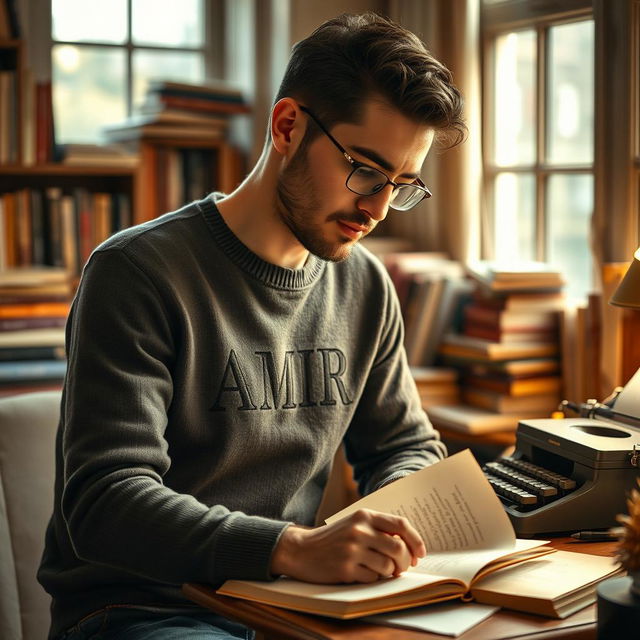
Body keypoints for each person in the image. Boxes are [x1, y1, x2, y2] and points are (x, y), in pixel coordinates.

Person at [38, 11, 466, 640]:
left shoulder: (366, 286)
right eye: (366, 170)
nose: (376, 208)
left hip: (290, 605)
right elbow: (105, 500)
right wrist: (290, 548)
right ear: (287, 125)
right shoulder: (136, 272)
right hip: (142, 610)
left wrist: (394, 523)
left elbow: (404, 446)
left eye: (402, 185)